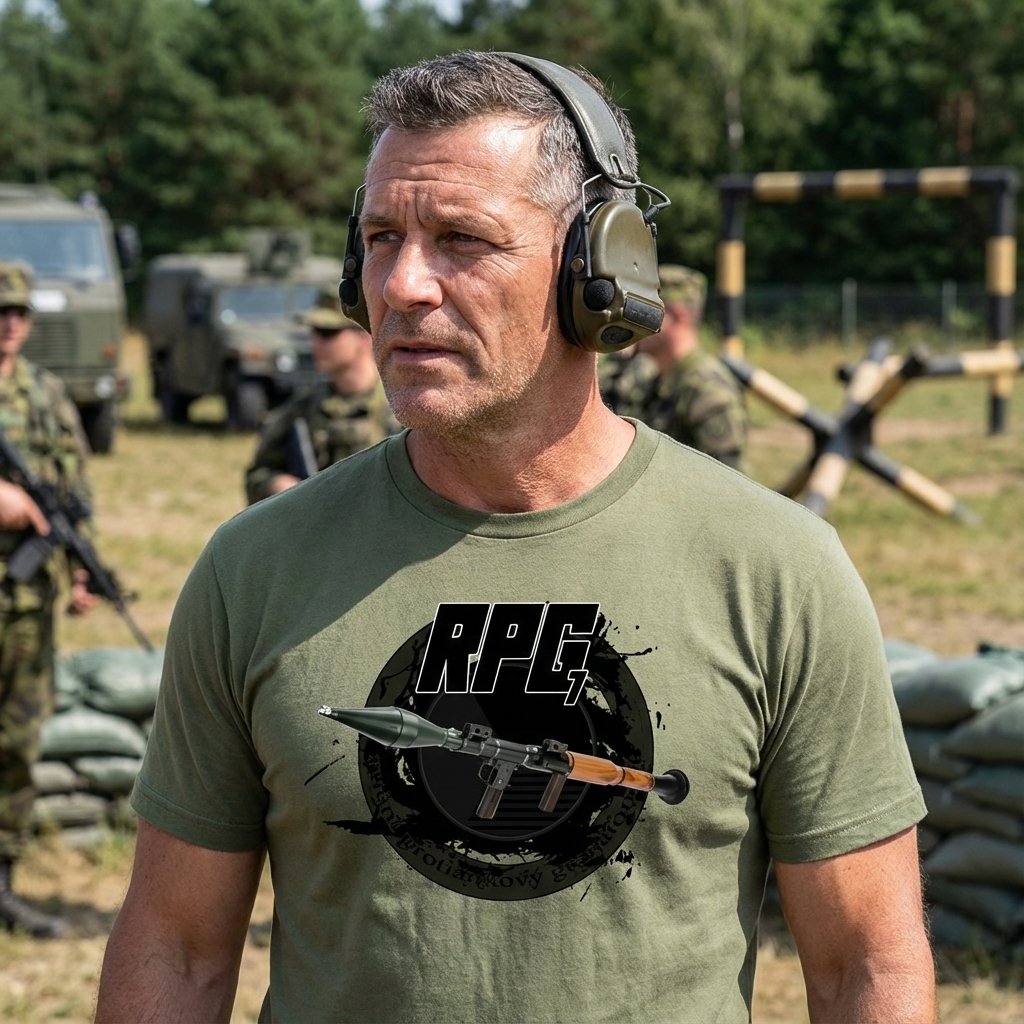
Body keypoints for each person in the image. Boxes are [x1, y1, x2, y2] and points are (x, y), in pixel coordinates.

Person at [96, 51, 934, 1023]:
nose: (403, 285)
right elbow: (177, 949)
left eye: (462, 239)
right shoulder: (254, 569)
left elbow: (863, 965)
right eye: (380, 238)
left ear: (598, 268)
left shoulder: (774, 570)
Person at [0, 262, 96, 939]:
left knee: (16, 740)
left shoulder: (45, 393)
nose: (8, 324)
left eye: (17, 313)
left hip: (26, 602)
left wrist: (83, 567)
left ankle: (2, 881)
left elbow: (72, 491)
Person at [243, 284, 398, 504]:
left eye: (327, 333)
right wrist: (277, 484)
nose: (315, 343)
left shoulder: (400, 410)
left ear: (365, 336)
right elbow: (257, 475)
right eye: (313, 332)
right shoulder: (303, 407)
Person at [636, 264, 748, 470]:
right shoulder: (664, 379)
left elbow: (724, 482)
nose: (632, 320)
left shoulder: (708, 390)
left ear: (678, 316)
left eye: (643, 311)